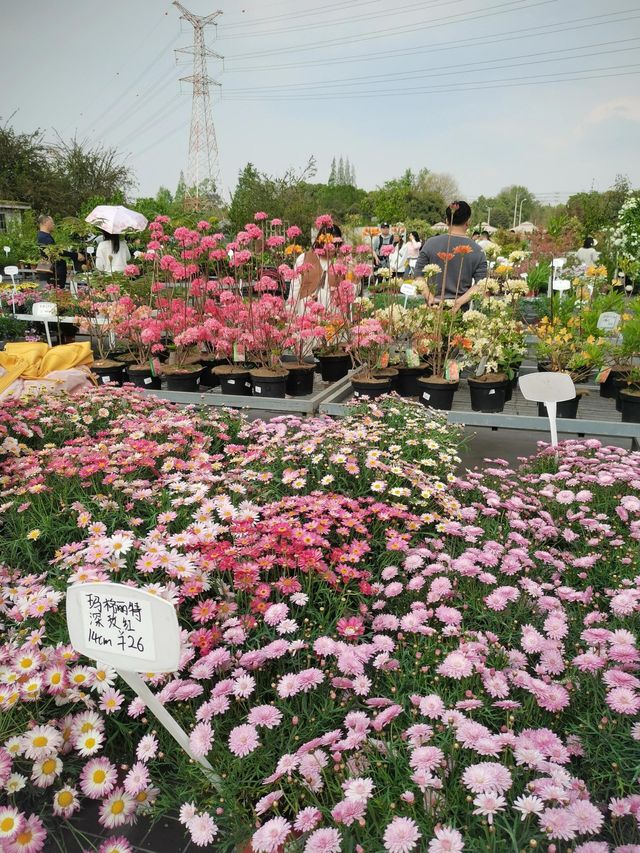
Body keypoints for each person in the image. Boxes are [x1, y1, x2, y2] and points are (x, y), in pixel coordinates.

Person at [414, 201, 487, 311]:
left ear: (447, 221)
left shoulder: (430, 243)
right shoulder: (477, 250)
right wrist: (459, 302)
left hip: (432, 308)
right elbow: (481, 284)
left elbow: (418, 274)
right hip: (460, 311)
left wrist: (429, 296)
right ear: (469, 222)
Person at [288, 223, 343, 310]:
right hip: (306, 311)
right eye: (329, 242)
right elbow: (295, 286)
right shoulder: (304, 258)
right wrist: (291, 310)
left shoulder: (341, 263)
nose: (333, 246)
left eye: (336, 243)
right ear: (321, 240)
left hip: (332, 312)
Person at [36, 215, 69, 288]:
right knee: (55, 291)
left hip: (51, 269)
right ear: (45, 223)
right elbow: (57, 252)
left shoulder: (44, 236)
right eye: (52, 222)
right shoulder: (44, 237)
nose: (53, 224)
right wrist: (75, 255)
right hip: (52, 270)